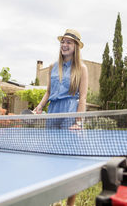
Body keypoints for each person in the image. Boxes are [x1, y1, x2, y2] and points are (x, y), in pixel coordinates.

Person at [34, 28, 88, 206]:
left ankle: (69, 204)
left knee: (70, 160)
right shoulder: (52, 66)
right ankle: (52, 200)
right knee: (51, 157)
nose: (64, 45)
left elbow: (83, 97)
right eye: (62, 42)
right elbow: (49, 92)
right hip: (53, 112)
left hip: (70, 112)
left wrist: (78, 122)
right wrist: (40, 107)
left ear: (76, 47)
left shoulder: (82, 68)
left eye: (69, 42)